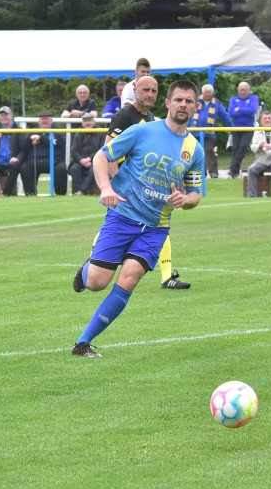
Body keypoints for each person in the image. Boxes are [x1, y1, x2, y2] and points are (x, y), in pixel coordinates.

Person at [70, 79, 205, 357]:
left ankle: (82, 343)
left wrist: (185, 200)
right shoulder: (142, 132)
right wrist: (106, 188)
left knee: (129, 279)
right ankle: (87, 271)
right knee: (97, 282)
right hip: (122, 216)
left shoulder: (195, 150)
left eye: (188, 101)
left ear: (195, 107)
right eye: (178, 100)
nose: (183, 105)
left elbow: (195, 194)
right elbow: (100, 157)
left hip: (156, 228)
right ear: (168, 103)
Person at [108, 75, 189, 289]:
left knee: (159, 222)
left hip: (146, 184)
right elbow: (107, 148)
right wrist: (117, 183)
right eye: (145, 90)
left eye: (153, 91)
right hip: (127, 184)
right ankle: (95, 258)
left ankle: (166, 276)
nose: (150, 94)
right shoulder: (125, 115)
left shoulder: (152, 117)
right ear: (136, 91)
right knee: (124, 224)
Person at [187, 83, 232, 179]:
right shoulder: (195, 101)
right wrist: (188, 125)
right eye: (206, 92)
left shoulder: (216, 103)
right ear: (202, 92)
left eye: (209, 92)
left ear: (212, 93)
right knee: (196, 153)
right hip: (194, 132)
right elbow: (189, 113)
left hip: (209, 134)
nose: (207, 94)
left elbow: (224, 115)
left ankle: (213, 173)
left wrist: (231, 127)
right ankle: (200, 173)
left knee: (210, 152)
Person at [18, 111, 68, 196]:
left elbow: (58, 142)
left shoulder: (58, 131)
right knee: (25, 167)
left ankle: (60, 195)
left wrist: (41, 138)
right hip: (34, 162)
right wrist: (30, 139)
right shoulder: (32, 131)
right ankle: (30, 195)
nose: (44, 121)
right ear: (39, 121)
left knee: (61, 168)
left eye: (46, 119)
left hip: (55, 162)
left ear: (51, 121)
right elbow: (22, 144)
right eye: (42, 119)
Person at [246, 109, 271, 197]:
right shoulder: (257, 131)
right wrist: (260, 146)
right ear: (261, 121)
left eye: (269, 118)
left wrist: (270, 146)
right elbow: (253, 147)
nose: (267, 120)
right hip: (262, 160)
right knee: (251, 169)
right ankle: (251, 195)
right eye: (265, 119)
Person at [227, 81, 259, 178]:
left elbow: (253, 110)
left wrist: (239, 109)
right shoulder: (234, 99)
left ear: (248, 90)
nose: (242, 92)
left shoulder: (253, 98)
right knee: (235, 149)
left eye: (244, 90)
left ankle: (233, 169)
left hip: (248, 127)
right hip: (236, 127)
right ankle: (235, 172)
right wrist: (245, 110)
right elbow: (231, 113)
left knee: (243, 146)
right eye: (240, 90)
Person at [69, 112, 106, 195]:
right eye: (85, 121)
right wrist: (81, 160)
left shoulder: (101, 132)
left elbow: (102, 149)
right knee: (74, 169)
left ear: (94, 122)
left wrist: (90, 158)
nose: (88, 123)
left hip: (97, 160)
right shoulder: (78, 133)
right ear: (82, 123)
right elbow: (74, 150)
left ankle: (82, 191)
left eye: (90, 121)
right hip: (80, 161)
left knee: (95, 170)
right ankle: (79, 191)